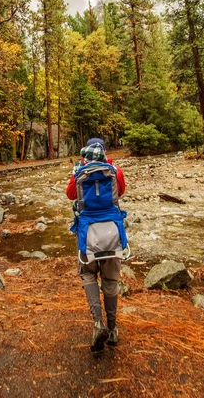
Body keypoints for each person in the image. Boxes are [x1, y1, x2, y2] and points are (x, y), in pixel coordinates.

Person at [66, 137, 127, 352]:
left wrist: (77, 172)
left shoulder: (79, 172)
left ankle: (97, 323)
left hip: (87, 232)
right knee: (110, 278)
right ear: (104, 150)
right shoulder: (114, 170)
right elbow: (120, 192)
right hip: (111, 230)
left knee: (88, 273)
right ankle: (112, 329)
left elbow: (70, 195)